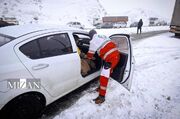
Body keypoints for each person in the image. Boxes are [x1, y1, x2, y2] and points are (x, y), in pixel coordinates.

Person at [86, 29, 120, 104]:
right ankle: (100, 88)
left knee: (103, 77)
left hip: (111, 59)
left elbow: (89, 55)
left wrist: (88, 57)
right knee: (106, 74)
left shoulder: (93, 41)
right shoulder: (103, 36)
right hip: (116, 56)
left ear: (90, 36)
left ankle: (102, 97)